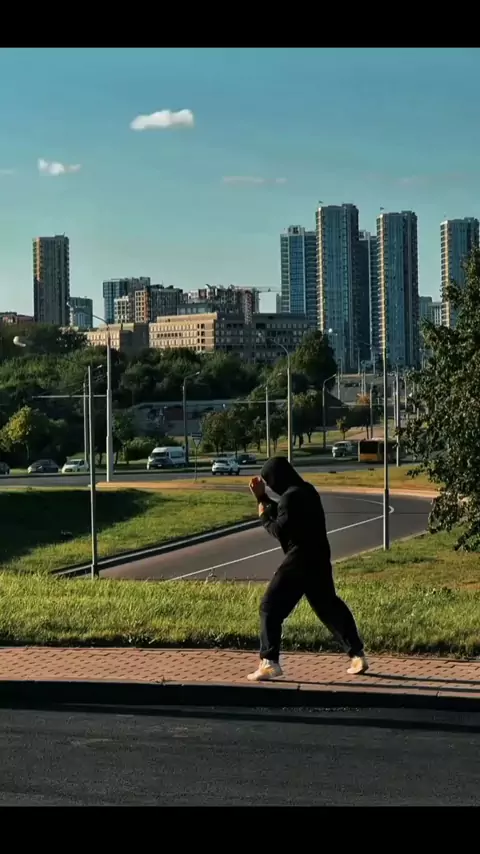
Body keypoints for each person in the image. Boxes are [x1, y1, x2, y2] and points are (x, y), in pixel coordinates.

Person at [247, 456, 368, 682]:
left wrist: (263, 517)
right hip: (319, 558)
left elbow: (279, 529)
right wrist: (262, 498)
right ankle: (357, 655)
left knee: (269, 608)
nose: (270, 486)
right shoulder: (307, 491)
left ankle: (269, 662)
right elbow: (285, 514)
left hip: (298, 560)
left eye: (269, 481)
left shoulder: (289, 498)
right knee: (329, 607)